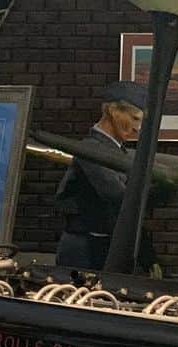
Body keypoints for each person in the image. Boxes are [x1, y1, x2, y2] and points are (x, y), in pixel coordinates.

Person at [54, 80, 153, 272]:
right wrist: (167, 188)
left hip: (101, 247)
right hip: (85, 251)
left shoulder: (115, 152)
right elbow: (119, 197)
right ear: (115, 112)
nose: (137, 128)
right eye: (134, 118)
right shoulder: (92, 150)